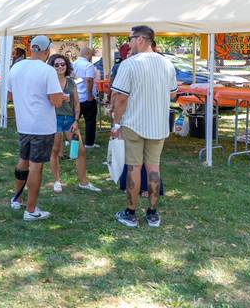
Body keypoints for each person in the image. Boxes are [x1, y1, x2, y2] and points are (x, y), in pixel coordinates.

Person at [111, 25, 178, 228]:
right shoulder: (167, 64)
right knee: (153, 167)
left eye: (130, 38)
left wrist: (115, 122)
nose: (129, 42)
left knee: (133, 167)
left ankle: (131, 213)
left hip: (134, 123)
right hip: (158, 123)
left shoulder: (129, 64)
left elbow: (121, 98)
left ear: (140, 39)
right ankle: (152, 213)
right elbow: (173, 94)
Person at [7, 35, 64, 221]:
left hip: (23, 123)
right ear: (47, 51)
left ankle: (17, 199)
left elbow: (9, 95)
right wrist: (62, 97)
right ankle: (30, 210)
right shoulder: (48, 70)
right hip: (42, 126)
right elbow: (55, 101)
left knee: (23, 160)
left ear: (32, 49)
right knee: (36, 167)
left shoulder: (16, 67)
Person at [48, 54, 101, 193]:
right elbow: (43, 102)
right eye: (57, 65)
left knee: (80, 151)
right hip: (54, 119)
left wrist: (76, 120)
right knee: (55, 151)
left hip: (70, 120)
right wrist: (58, 98)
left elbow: (77, 103)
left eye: (63, 64)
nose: (60, 67)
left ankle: (84, 182)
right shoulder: (48, 81)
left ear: (67, 66)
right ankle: (56, 181)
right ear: (52, 67)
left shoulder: (71, 83)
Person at [73, 46, 98, 148]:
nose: (92, 57)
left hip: (75, 96)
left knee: (74, 119)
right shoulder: (88, 65)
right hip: (86, 97)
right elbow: (89, 80)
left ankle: (69, 139)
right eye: (91, 55)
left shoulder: (73, 64)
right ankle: (89, 143)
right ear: (87, 54)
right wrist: (90, 95)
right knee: (90, 121)